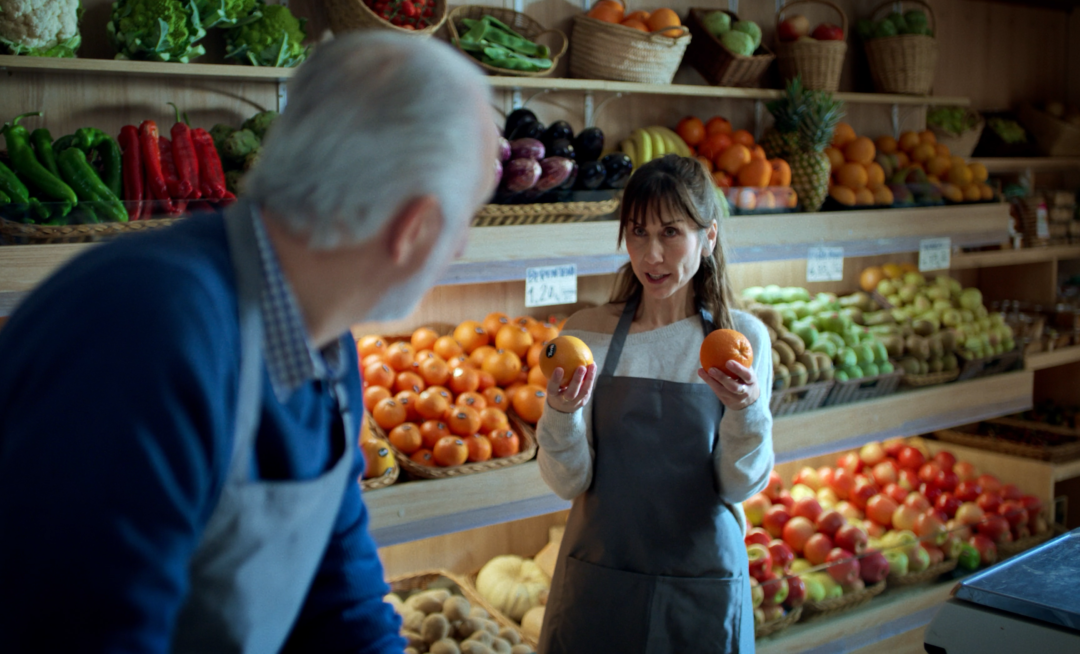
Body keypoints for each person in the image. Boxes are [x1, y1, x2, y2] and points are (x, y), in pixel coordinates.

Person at [0, 32, 496, 653]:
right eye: (465, 222)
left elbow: (340, 600)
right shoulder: (147, 334)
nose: (460, 251)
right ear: (414, 228)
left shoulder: (327, 353)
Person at [535, 155, 774, 653]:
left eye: (670, 232)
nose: (651, 255)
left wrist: (746, 410)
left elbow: (738, 484)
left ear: (708, 238)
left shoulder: (741, 342)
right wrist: (561, 416)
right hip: (600, 578)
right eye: (638, 233)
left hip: (701, 583)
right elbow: (568, 483)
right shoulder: (586, 336)